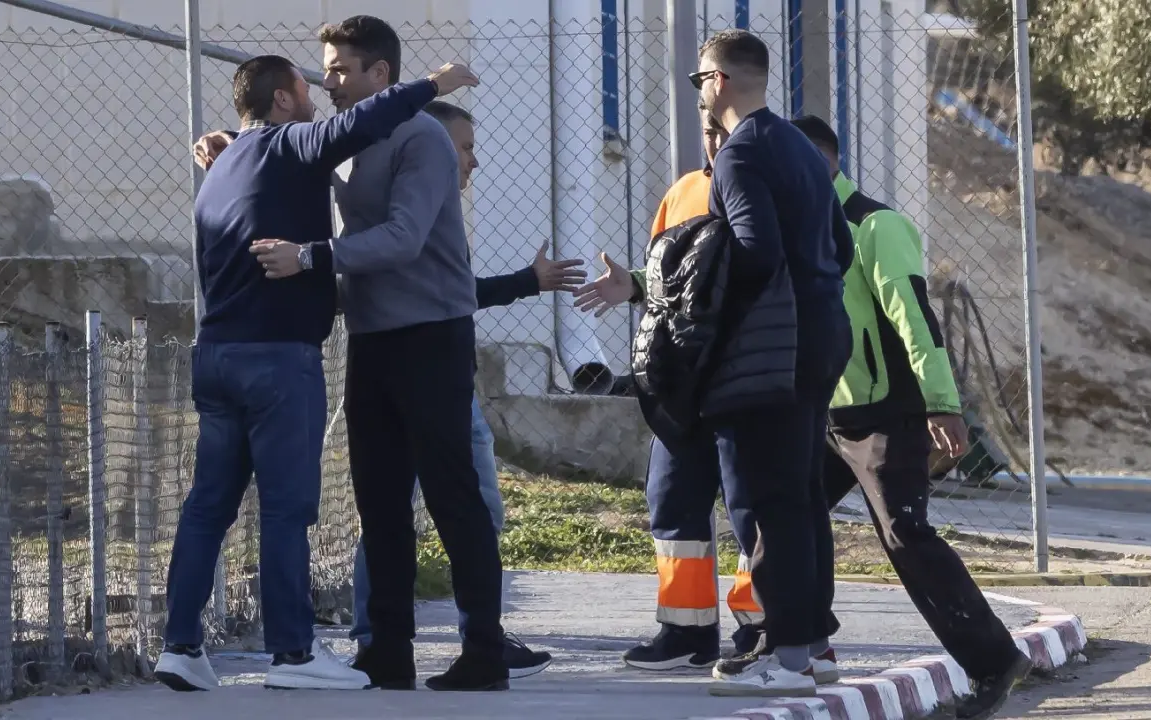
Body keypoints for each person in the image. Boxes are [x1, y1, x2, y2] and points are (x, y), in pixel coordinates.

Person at [153, 54, 475, 693]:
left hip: (215, 354)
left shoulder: (222, 167)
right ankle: (294, 654)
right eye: (306, 88)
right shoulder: (289, 145)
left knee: (207, 507)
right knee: (285, 508)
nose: (320, 94)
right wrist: (434, 85)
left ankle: (180, 645)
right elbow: (365, 121)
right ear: (281, 101)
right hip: (276, 361)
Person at [779, 115, 1033, 720]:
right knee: (782, 518)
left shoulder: (875, 225)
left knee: (905, 536)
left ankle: (995, 661)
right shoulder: (792, 227)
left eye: (789, 161)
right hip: (821, 411)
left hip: (884, 412)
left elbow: (915, 318)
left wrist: (940, 402)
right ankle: (799, 649)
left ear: (822, 162)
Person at [346, 99, 580, 680]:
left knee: (467, 505)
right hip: (410, 360)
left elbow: (453, 290)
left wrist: (528, 282)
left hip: (442, 364)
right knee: (393, 506)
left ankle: (482, 642)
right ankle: (383, 641)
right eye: (465, 147)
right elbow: (440, 285)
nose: (473, 161)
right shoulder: (404, 189)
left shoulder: (434, 211)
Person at [574, 105, 769, 672]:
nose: (714, 141)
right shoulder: (683, 192)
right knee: (671, 498)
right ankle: (686, 631)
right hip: (682, 383)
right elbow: (676, 275)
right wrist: (634, 285)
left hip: (745, 379)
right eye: (708, 131)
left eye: (724, 131)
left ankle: (762, 626)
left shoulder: (768, 191)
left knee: (752, 506)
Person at [691, 29, 854, 697]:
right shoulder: (798, 147)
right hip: (823, 332)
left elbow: (754, 253)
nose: (699, 92)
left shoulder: (740, 154)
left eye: (699, 79)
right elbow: (842, 246)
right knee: (802, 494)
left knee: (773, 499)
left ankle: (784, 658)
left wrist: (707, 299)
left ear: (720, 81)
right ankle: (811, 646)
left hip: (774, 346)